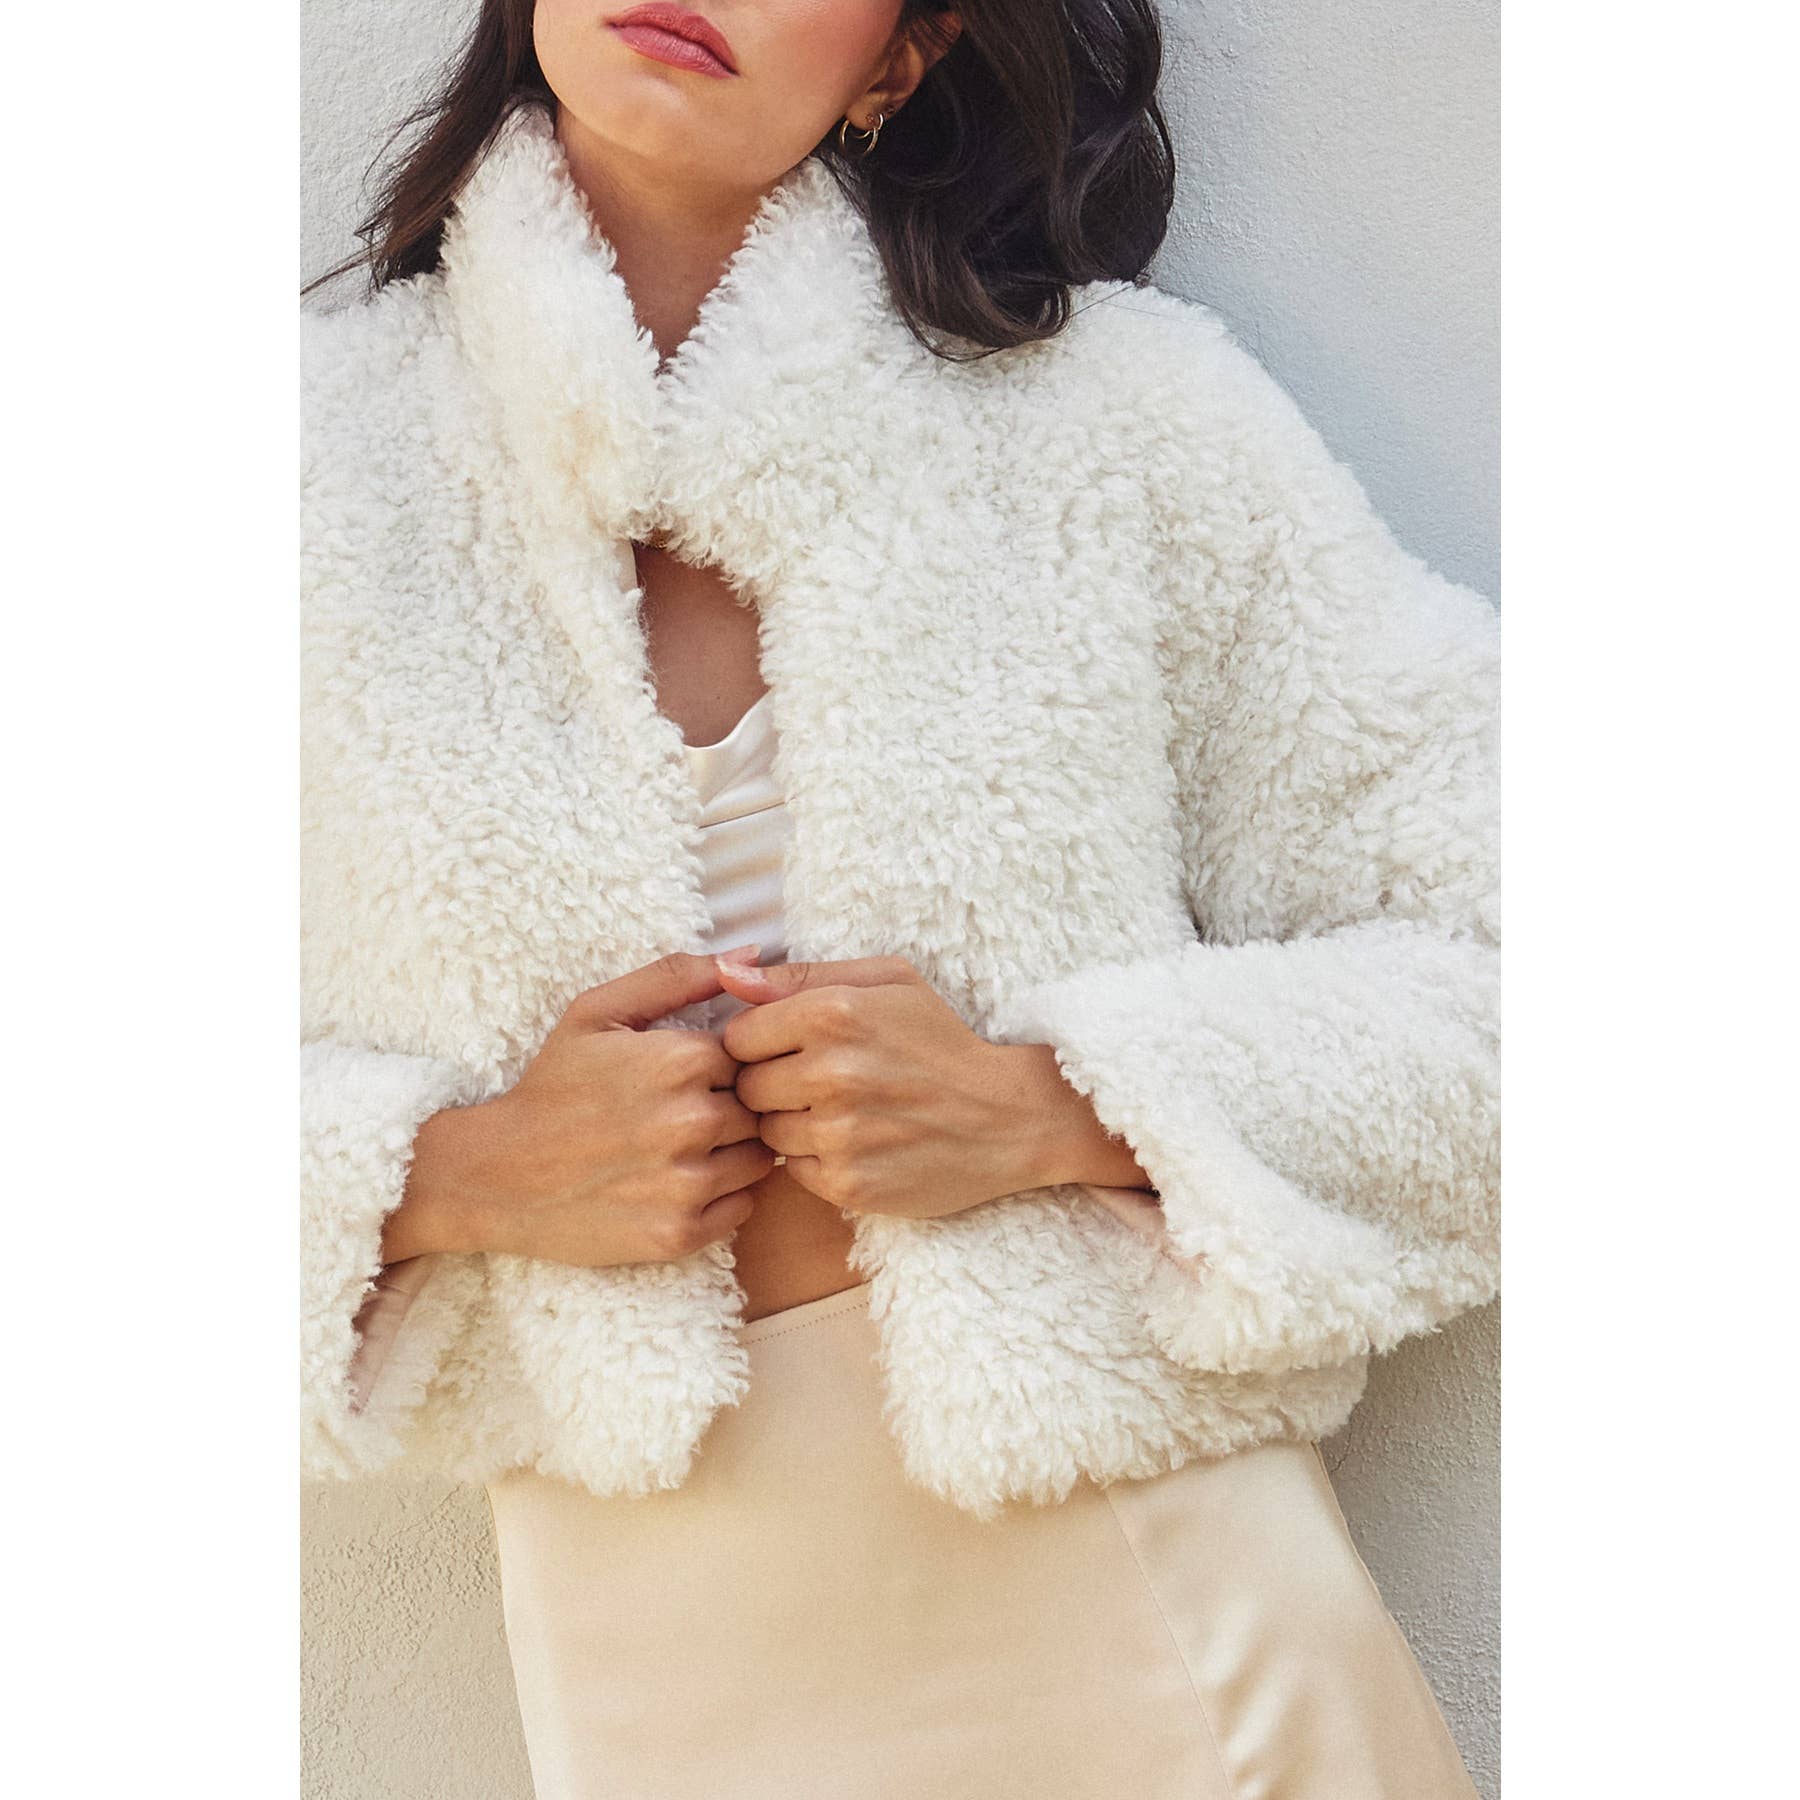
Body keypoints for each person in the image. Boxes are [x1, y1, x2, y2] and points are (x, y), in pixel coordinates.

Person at [300, 2, 1499, 1794]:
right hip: (661, 1671)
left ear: (901, 58)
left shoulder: (1121, 424)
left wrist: (1061, 1103)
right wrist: (445, 1174)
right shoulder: (293, 484)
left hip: (1172, 1626)